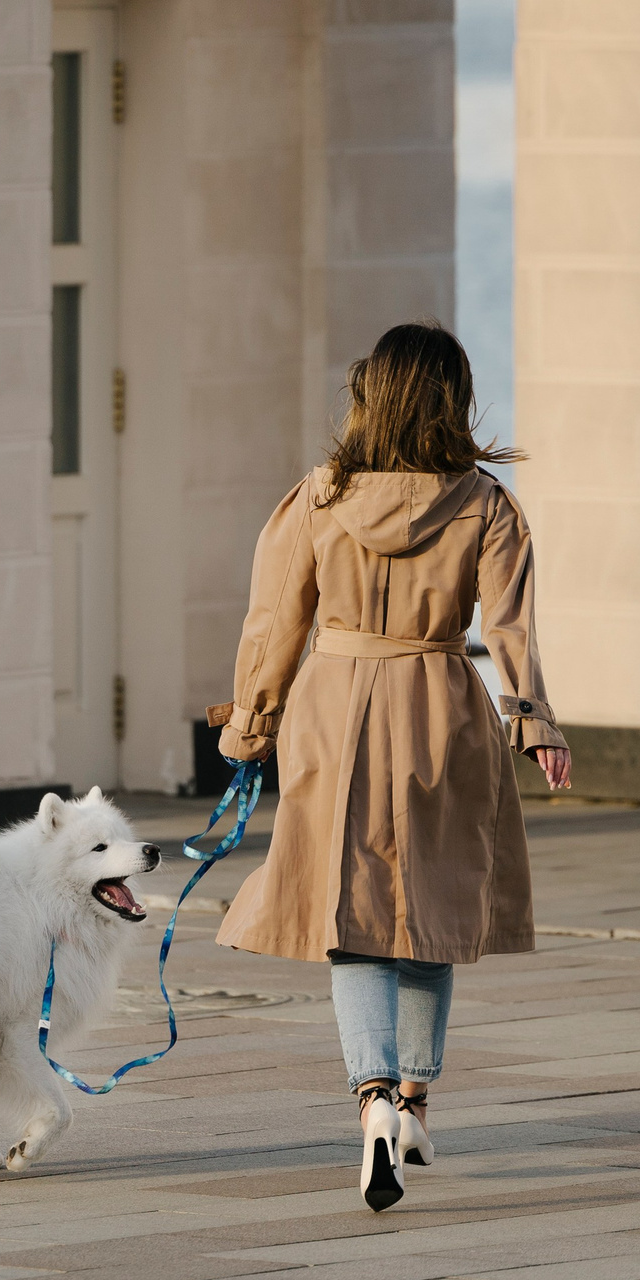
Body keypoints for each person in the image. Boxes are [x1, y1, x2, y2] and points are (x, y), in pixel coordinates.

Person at [208, 323, 569, 1212]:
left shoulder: (317, 497)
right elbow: (512, 626)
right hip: (440, 707)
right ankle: (412, 1101)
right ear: (452, 399)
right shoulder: (484, 504)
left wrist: (251, 725)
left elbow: (274, 622)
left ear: (369, 395)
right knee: (431, 909)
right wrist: (533, 720)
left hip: (333, 713)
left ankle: (370, 1097)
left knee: (352, 912)